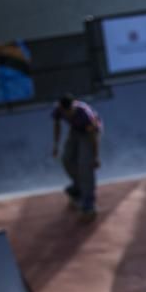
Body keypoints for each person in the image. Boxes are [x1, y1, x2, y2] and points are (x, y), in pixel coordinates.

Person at [51, 94, 103, 222]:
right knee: (67, 160)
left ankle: (88, 202)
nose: (68, 115)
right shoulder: (59, 109)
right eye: (66, 113)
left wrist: (95, 157)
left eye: (70, 112)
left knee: (85, 165)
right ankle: (78, 188)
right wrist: (56, 145)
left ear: (73, 107)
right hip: (75, 131)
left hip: (90, 133)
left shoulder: (85, 114)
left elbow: (93, 137)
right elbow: (57, 125)